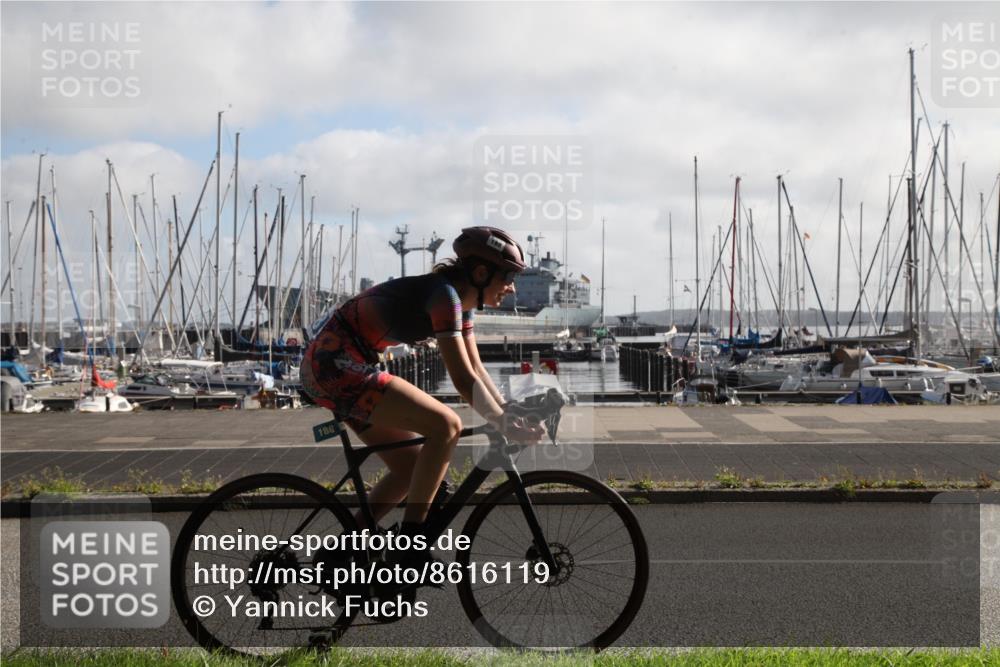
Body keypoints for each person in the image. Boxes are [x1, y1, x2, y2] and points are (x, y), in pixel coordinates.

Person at [301, 226, 543, 554]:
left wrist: (506, 412)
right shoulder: (444, 297)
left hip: (340, 366)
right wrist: (501, 420)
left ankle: (342, 553)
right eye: (508, 278)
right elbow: (461, 379)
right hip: (336, 367)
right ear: (482, 273)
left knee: (414, 472)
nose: (511, 289)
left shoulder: (461, 303)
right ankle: (412, 543)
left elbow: (476, 369)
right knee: (446, 425)